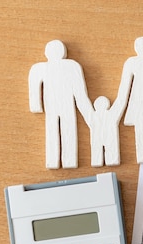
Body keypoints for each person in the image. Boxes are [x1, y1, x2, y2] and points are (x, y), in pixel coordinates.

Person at [28, 40, 92, 169]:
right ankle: (61, 161)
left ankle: (65, 161)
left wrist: (36, 105)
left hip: (62, 104)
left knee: (62, 130)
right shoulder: (70, 66)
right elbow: (34, 89)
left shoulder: (70, 66)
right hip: (58, 105)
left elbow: (79, 91)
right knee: (62, 130)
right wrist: (36, 106)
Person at [84, 96, 124, 167]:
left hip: (98, 139)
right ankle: (106, 161)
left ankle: (98, 161)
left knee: (97, 156)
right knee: (111, 156)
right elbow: (120, 102)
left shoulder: (92, 116)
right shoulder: (111, 114)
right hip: (109, 138)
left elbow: (83, 106)